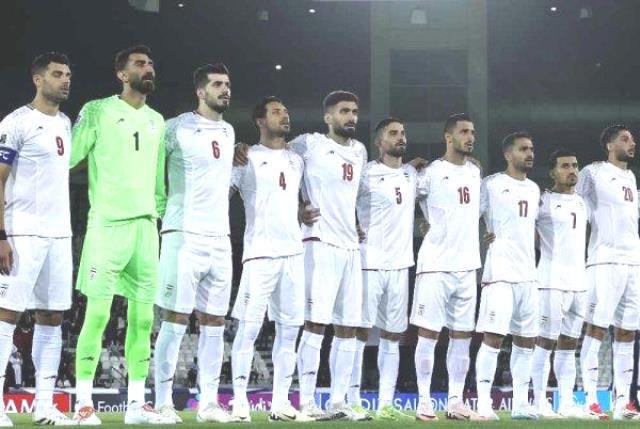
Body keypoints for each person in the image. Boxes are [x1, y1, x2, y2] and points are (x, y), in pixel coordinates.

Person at [235, 90, 369, 420]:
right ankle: (291, 402)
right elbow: (249, 177)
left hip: (331, 249)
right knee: (292, 326)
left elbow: (293, 187)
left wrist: (349, 221)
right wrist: (238, 147)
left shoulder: (355, 151)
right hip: (304, 245)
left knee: (335, 328)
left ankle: (325, 402)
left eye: (354, 111)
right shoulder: (305, 146)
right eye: (344, 111)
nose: (351, 117)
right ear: (328, 117)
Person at [70, 45, 171, 425]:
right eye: (140, 64)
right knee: (97, 314)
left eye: (151, 63)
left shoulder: (158, 121)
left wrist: (155, 214)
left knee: (143, 320)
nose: (149, 68)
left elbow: (159, 180)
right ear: (122, 74)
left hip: (145, 228)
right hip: (107, 226)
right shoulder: (97, 110)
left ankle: (136, 406)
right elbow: (69, 157)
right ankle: (83, 404)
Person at [153, 63, 235, 423]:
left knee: (215, 321)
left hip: (221, 238)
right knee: (175, 318)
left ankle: (209, 404)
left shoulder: (230, 131)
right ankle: (163, 402)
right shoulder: (175, 127)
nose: (225, 89)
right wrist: (161, 216)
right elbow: (152, 172)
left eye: (227, 84)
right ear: (200, 92)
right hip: (183, 235)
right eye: (217, 84)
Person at [0, 51, 75, 426]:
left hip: (60, 234)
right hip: (22, 231)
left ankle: (45, 406)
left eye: (68, 74)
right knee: (6, 314)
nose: (66, 80)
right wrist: (1, 235)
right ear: (38, 79)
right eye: (58, 74)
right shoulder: (16, 122)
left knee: (52, 316)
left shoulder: (65, 123)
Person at [229, 97, 312, 422]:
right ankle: (239, 402)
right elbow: (222, 194)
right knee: (248, 329)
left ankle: (280, 402)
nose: (285, 115)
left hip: (293, 254)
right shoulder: (246, 156)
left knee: (289, 332)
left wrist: (302, 212)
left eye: (286, 111)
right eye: (277, 112)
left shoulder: (296, 160)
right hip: (260, 255)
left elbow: (295, 201)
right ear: (260, 121)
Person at [411, 113, 483, 421]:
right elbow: (401, 201)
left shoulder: (476, 172)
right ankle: (424, 401)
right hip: (436, 265)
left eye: (472, 132)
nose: (470, 137)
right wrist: (420, 221)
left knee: (462, 337)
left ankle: (456, 401)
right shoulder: (429, 173)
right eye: (464, 132)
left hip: (468, 265)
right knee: (428, 334)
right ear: (448, 137)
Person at [352, 117, 416, 421]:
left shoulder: (411, 174)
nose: (400, 136)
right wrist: (350, 226)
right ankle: (351, 400)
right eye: (393, 133)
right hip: (370, 264)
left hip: (401, 266)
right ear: (379, 142)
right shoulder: (365, 174)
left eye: (402, 132)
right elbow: (341, 199)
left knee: (393, 336)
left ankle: (386, 404)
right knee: (359, 333)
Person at [475, 132, 540, 420]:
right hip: (500, 273)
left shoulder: (534, 189)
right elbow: (469, 216)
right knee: (493, 339)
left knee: (526, 342)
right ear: (507, 155)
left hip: (528, 275)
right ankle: (483, 403)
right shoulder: (492, 184)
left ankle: (521, 404)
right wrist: (482, 234)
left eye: (531, 149)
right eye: (523, 149)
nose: (530, 153)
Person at [577, 125, 640, 420]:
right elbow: (573, 202)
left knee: (627, 332)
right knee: (596, 329)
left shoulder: (631, 177)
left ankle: (622, 403)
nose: (632, 143)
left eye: (632, 139)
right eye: (625, 139)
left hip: (633, 263)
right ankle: (591, 400)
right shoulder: (593, 172)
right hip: (603, 261)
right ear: (609, 145)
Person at [530, 149, 590, 419]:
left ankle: (566, 403)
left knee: (569, 344)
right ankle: (539, 401)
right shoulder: (542, 201)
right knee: (545, 342)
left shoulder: (583, 202)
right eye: (565, 166)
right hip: (551, 282)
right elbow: (524, 230)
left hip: (579, 282)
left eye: (575, 165)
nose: (572, 170)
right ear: (552, 172)